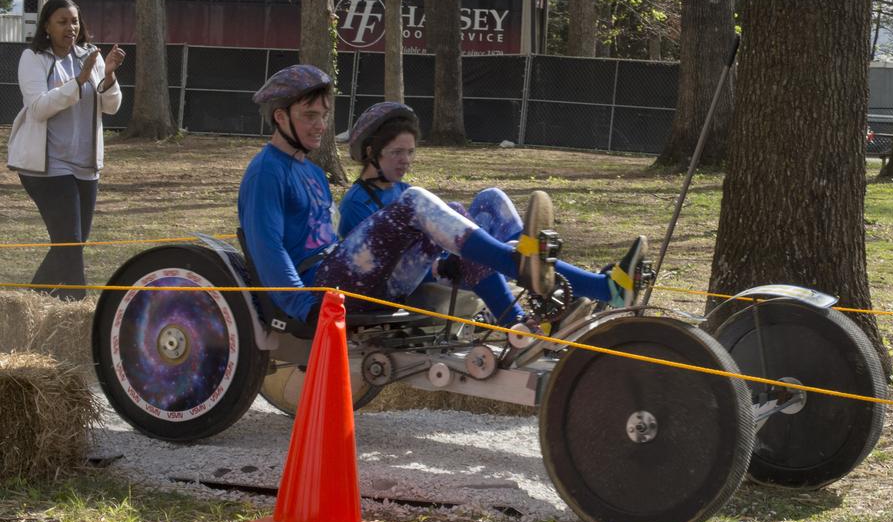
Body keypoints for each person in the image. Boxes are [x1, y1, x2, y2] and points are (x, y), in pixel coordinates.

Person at [237, 65, 647, 335]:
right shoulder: (266, 171)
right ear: (280, 116)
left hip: (358, 279)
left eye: (325, 115)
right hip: (319, 291)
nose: (321, 125)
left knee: (453, 214)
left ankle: (520, 322)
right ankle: (526, 269)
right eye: (311, 115)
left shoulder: (309, 170)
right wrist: (301, 311)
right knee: (416, 203)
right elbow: (267, 248)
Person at [7, 0, 126, 300]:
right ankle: (80, 311)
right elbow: (38, 108)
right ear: (46, 26)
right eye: (62, 21)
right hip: (46, 166)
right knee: (70, 244)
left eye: (74, 21)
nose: (70, 28)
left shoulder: (92, 56)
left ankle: (29, 304)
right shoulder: (33, 59)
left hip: (85, 165)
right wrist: (79, 81)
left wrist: (109, 74)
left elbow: (111, 107)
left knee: (71, 243)